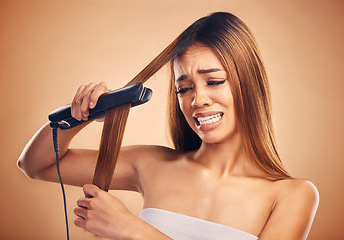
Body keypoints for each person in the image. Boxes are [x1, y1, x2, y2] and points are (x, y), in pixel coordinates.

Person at [17, 12, 319, 240]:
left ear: (249, 84)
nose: (197, 99)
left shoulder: (292, 196)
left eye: (213, 81)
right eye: (184, 88)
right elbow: (37, 165)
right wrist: (82, 114)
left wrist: (132, 229)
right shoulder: (150, 164)